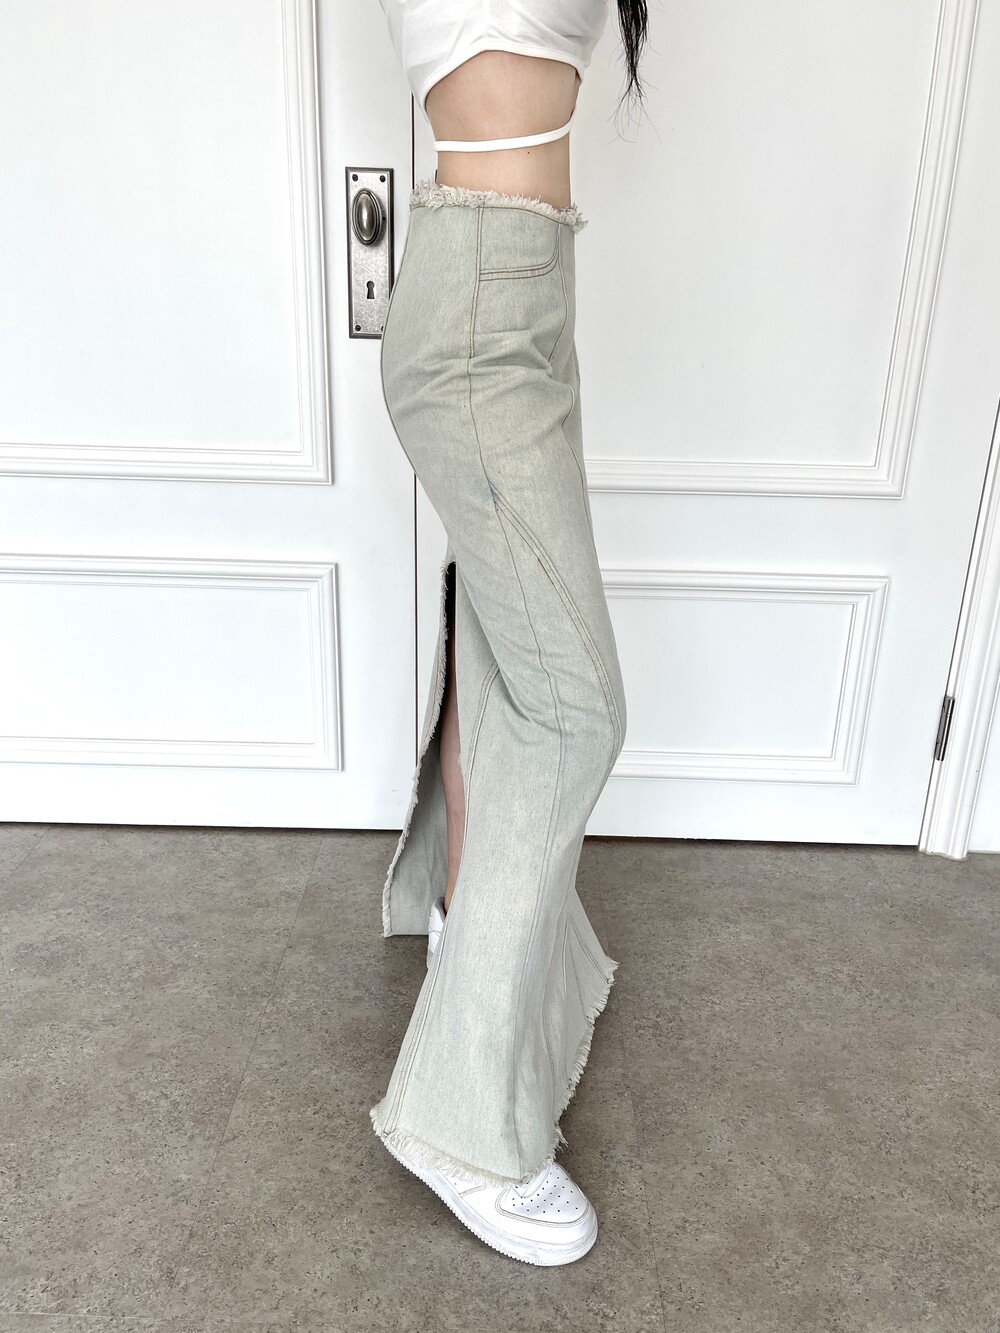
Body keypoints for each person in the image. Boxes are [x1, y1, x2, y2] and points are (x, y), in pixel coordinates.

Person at [371, 0, 649, 1266]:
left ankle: (456, 913)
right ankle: (460, 1125)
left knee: (510, 652)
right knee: (576, 708)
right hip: (480, 310)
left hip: (523, 287)